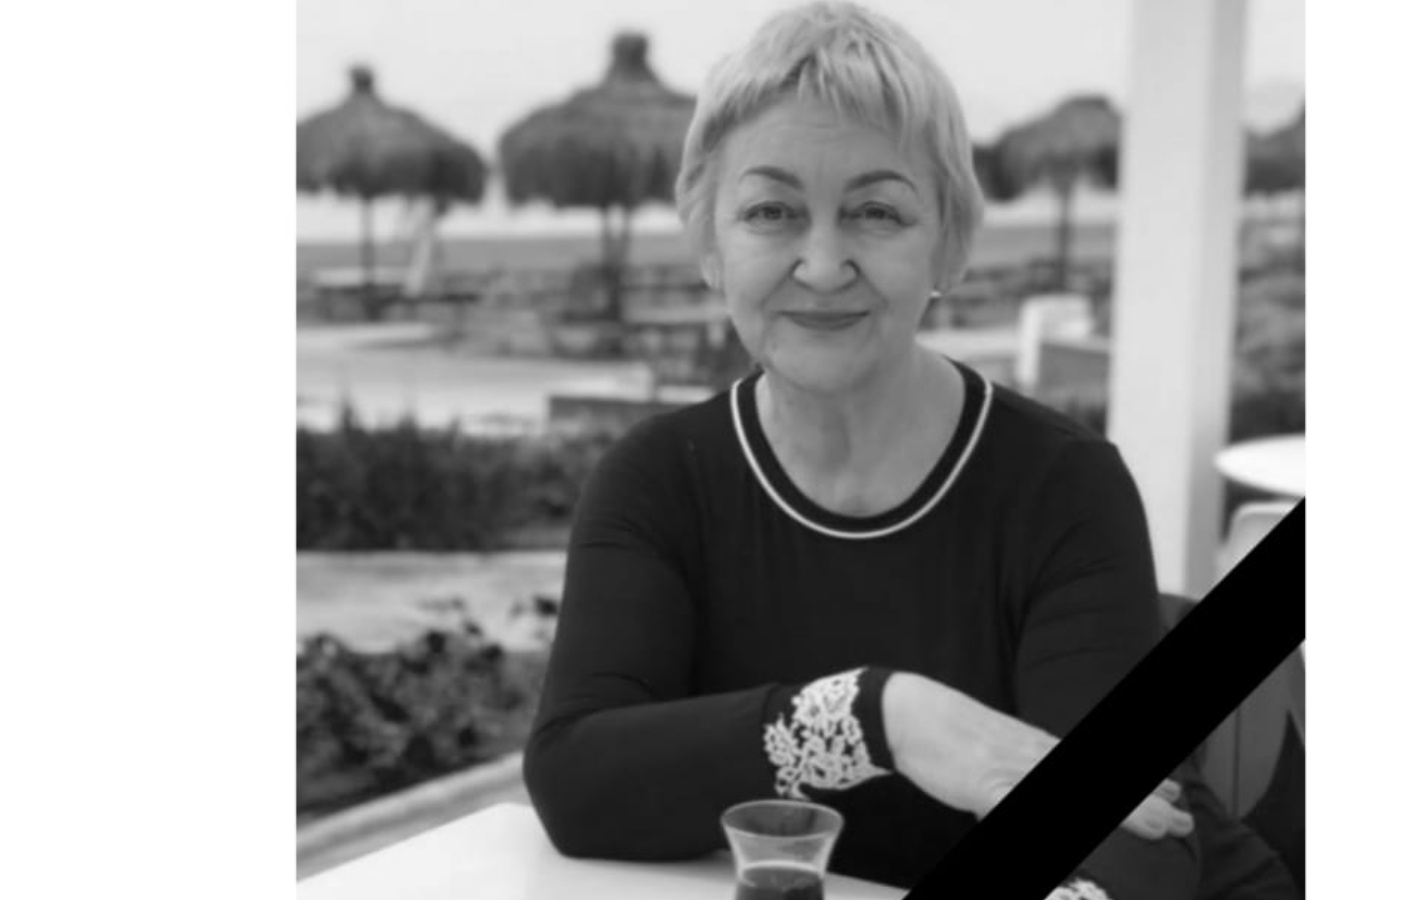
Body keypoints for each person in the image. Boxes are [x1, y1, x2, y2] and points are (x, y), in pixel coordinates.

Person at [524, 4, 1299, 899]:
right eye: (771, 211)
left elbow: (1131, 847)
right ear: (708, 244)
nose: (822, 264)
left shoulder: (1062, 487)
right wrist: (874, 717)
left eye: (876, 212)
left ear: (951, 245)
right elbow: (577, 779)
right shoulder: (659, 480)